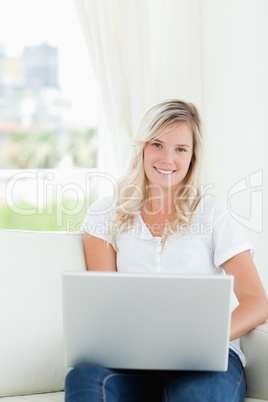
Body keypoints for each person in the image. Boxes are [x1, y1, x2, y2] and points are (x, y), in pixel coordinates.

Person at [65, 99, 268, 402]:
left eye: (180, 149)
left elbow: (256, 301)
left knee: (198, 396)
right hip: (130, 361)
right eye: (157, 144)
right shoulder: (104, 214)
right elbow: (105, 307)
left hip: (205, 361)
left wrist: (205, 339)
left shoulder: (212, 213)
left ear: (192, 156)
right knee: (84, 380)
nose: (167, 158)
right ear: (143, 148)